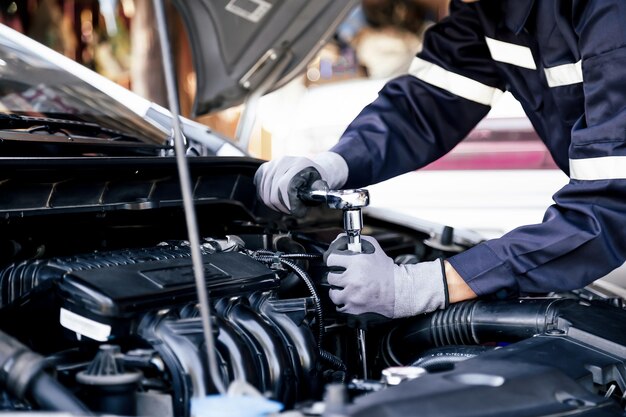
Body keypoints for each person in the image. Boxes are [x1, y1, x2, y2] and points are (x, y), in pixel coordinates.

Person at [255, 0, 626, 319]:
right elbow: (426, 104)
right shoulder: (488, 11)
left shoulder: (610, 12)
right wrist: (333, 165)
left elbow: (609, 203)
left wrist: (426, 286)